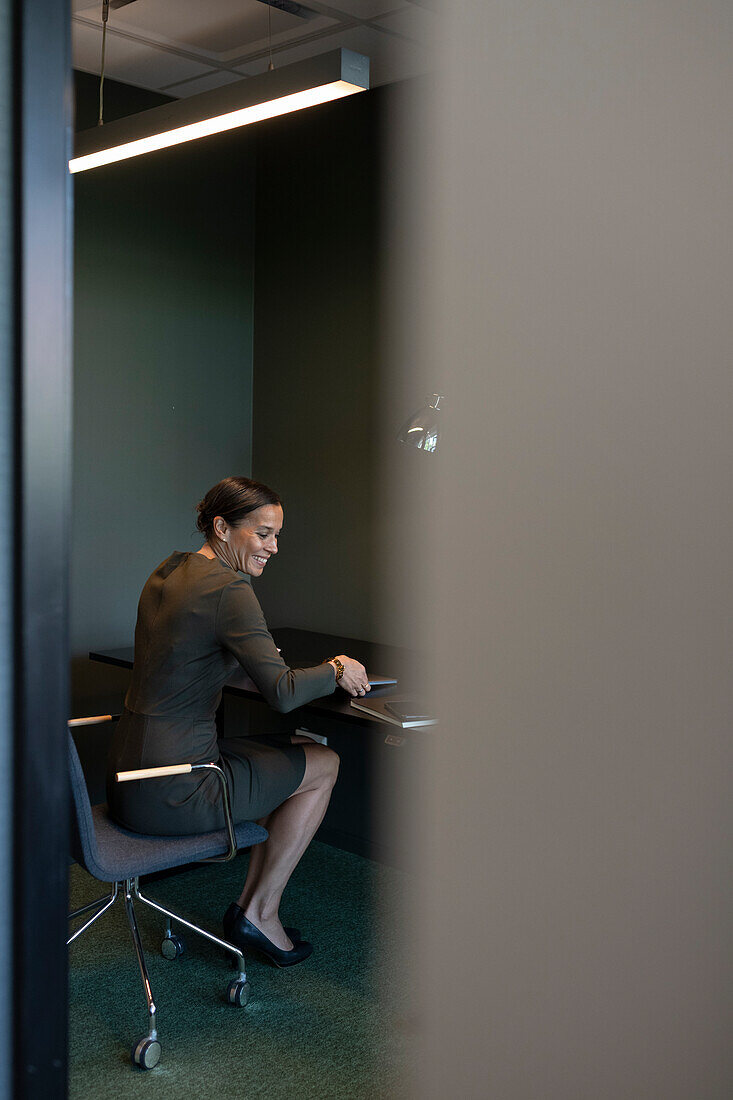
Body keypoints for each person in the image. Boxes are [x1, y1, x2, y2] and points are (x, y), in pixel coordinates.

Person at [106, 476, 370, 967]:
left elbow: (183, 653)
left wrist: (250, 658)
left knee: (293, 746)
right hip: (179, 788)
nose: (273, 547)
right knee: (325, 762)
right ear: (222, 527)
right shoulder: (231, 589)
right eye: (263, 533)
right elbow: (283, 692)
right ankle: (262, 913)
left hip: (128, 776)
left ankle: (250, 908)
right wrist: (336, 669)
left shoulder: (171, 570)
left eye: (277, 535)